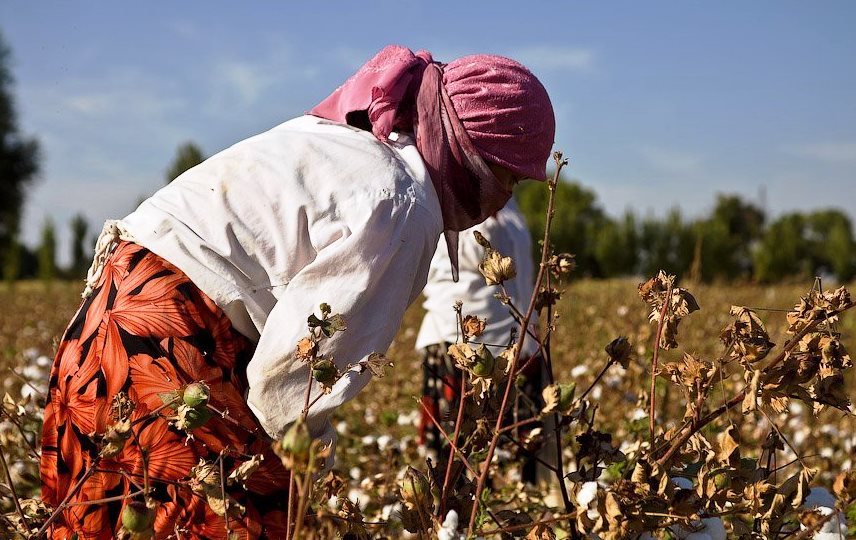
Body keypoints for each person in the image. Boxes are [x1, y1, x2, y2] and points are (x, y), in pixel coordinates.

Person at [40, 45, 555, 538]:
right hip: (165, 341)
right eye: (508, 177)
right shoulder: (404, 204)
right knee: (250, 520)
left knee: (99, 517)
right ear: (468, 148)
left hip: (108, 314)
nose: (504, 198)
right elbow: (292, 387)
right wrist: (316, 491)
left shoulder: (351, 142)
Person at [415, 198, 547, 483]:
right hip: (459, 344)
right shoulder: (447, 197)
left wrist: (533, 331)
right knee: (460, 460)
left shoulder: (510, 204)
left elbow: (522, 273)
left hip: (516, 346)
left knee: (515, 464)